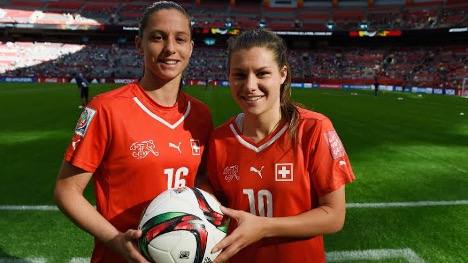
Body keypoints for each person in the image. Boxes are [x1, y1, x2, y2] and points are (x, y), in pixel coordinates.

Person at [54, 2, 213, 263]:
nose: (170, 48)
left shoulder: (201, 115)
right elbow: (66, 190)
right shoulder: (105, 109)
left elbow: (203, 179)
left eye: (180, 39)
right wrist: (115, 240)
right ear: (139, 44)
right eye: (158, 37)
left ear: (191, 48)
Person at [206, 28, 355, 263]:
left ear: (282, 74)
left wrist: (265, 227)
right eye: (240, 75)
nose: (250, 85)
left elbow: (334, 216)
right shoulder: (218, 141)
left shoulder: (314, 129)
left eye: (262, 73)